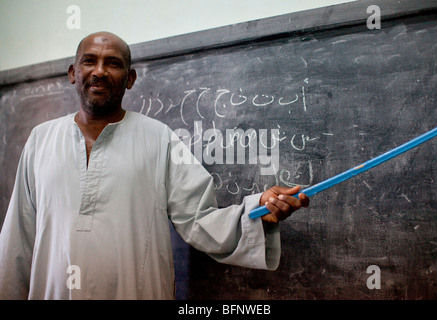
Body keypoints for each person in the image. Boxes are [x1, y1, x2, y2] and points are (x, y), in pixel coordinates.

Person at [0, 32, 309, 299]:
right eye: (89, 61)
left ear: (130, 78)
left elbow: (199, 219)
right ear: (72, 72)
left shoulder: (160, 138)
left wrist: (258, 210)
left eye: (113, 63)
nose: (100, 71)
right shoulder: (41, 140)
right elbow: (18, 239)